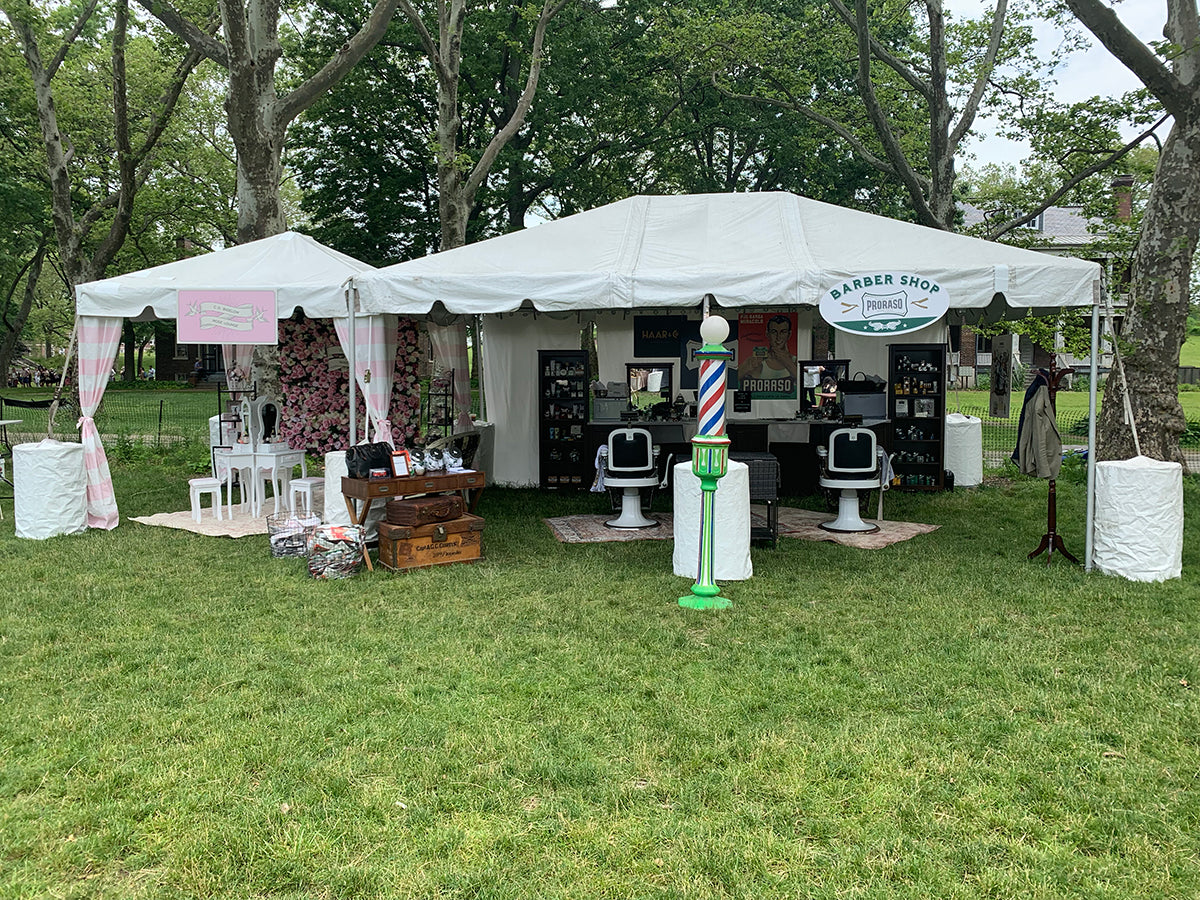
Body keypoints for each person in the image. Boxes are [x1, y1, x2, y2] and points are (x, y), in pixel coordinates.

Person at [741, 315, 798, 386]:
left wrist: (786, 361)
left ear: (789, 334)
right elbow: (735, 380)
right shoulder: (757, 361)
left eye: (783, 332)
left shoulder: (795, 361)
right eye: (774, 332)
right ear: (767, 334)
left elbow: (803, 381)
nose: (778, 337)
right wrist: (747, 367)